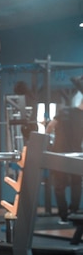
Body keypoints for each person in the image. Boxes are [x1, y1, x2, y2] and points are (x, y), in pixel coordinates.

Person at [45, 94, 83, 225]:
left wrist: (47, 141)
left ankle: (64, 216)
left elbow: (50, 126)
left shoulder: (65, 111)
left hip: (59, 155)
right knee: (76, 185)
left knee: (59, 187)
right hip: (77, 154)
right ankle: (73, 214)